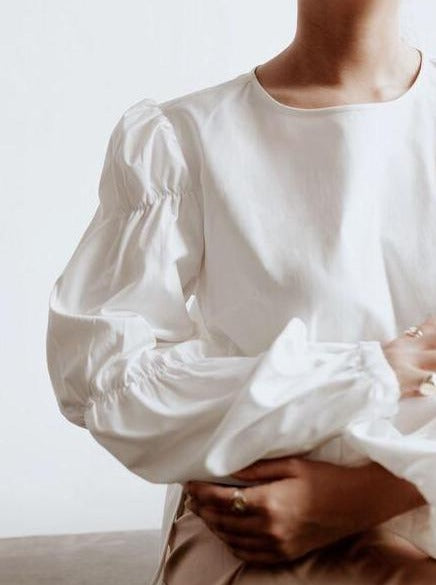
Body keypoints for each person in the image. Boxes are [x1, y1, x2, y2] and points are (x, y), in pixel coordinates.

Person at [45, 0, 436, 583]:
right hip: (257, 524)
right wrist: (362, 372)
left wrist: (366, 496)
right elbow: (105, 382)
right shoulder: (185, 139)